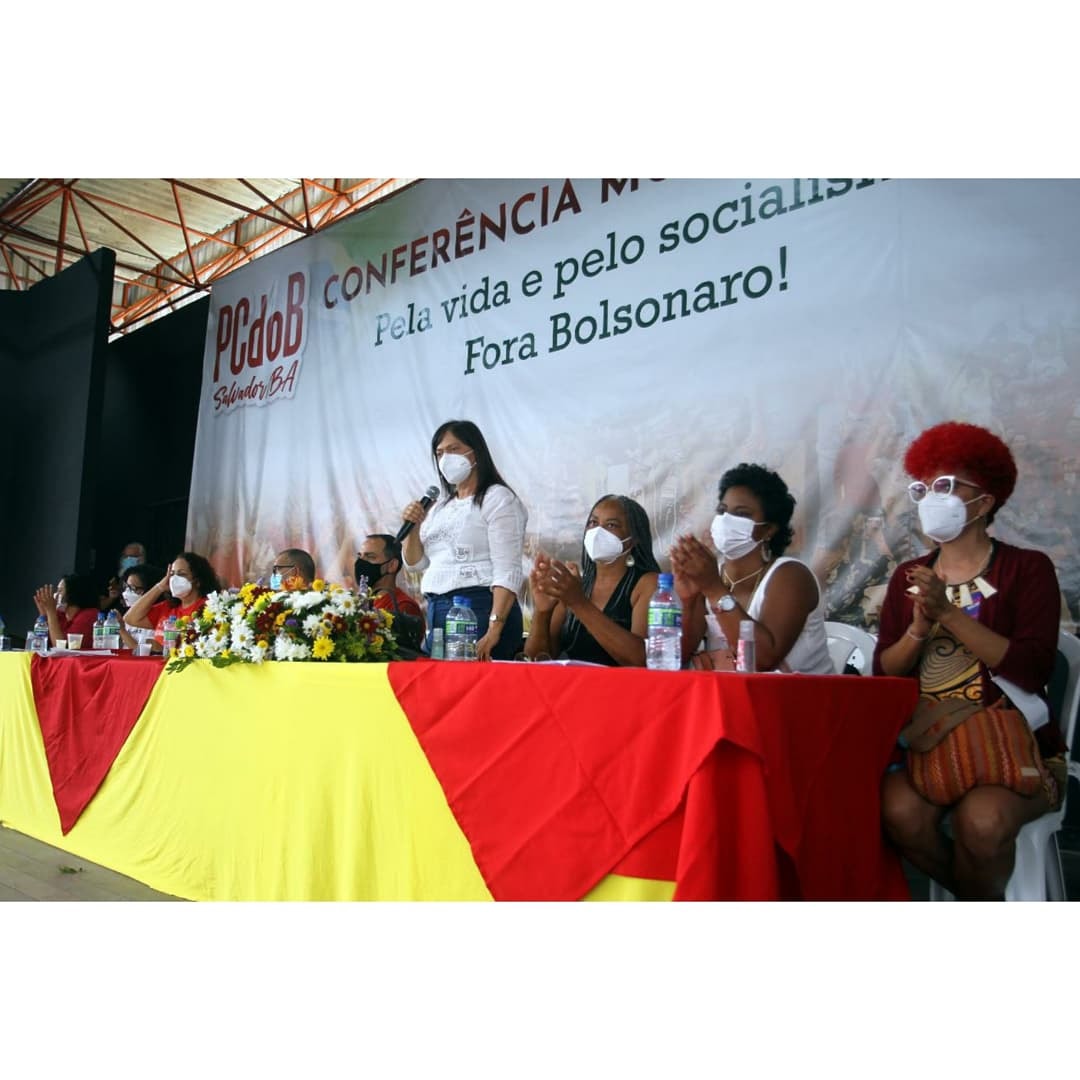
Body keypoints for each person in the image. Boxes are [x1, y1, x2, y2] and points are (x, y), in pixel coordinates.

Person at [876, 421, 1066, 899]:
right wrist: (919, 629)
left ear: (984, 502)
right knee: (896, 813)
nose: (929, 499)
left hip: (1013, 747)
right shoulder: (907, 577)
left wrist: (949, 614)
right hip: (929, 745)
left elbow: (1033, 668)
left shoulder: (1028, 569)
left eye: (945, 486)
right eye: (922, 488)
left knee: (982, 821)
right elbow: (886, 671)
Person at [670, 463, 833, 673]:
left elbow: (762, 660)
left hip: (802, 692)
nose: (726, 521)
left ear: (768, 529)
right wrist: (688, 600)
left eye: (741, 514)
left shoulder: (792, 575)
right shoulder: (714, 575)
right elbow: (676, 658)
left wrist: (714, 589)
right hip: (732, 691)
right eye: (722, 511)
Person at [401, 419, 527, 661]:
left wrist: (494, 629)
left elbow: (507, 569)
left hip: (478, 608)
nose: (446, 458)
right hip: (438, 609)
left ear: (475, 451)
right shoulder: (440, 507)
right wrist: (413, 528)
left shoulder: (497, 498)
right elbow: (415, 563)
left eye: (454, 449)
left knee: (476, 683)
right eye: (440, 453)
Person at [524, 495, 660, 666]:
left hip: (620, 683)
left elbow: (640, 659)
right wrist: (542, 612)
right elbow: (535, 660)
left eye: (611, 525)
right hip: (572, 682)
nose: (597, 532)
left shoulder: (648, 584)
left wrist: (578, 603)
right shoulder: (575, 585)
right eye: (593, 523)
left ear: (633, 539)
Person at [123, 551, 222, 650]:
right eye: (172, 574)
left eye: (181, 574)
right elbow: (130, 618)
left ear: (197, 581)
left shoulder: (208, 608)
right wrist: (160, 586)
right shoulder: (168, 607)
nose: (174, 579)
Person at [355, 535, 425, 622]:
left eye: (370, 557)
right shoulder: (358, 604)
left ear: (392, 565)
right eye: (359, 556)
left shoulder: (403, 606)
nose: (361, 562)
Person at [32, 574, 100, 647]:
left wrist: (51, 612)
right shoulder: (60, 613)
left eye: (60, 591)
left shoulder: (89, 614)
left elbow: (61, 646)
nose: (56, 595)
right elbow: (38, 644)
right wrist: (43, 615)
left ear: (73, 594)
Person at [116, 562, 166, 651]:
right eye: (126, 587)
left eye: (133, 588)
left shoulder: (159, 618)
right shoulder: (128, 615)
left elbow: (144, 652)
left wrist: (122, 631)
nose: (127, 592)